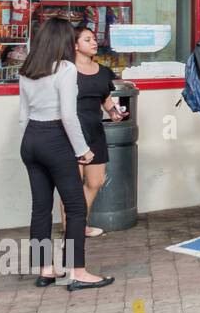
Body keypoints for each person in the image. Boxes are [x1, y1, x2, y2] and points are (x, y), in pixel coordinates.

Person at [18, 17, 113, 291]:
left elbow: (23, 116)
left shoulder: (27, 69)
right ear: (63, 41)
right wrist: (83, 151)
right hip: (56, 139)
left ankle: (45, 270)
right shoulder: (66, 69)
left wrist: (30, 144)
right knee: (75, 207)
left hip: (31, 139)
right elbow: (68, 116)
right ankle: (78, 271)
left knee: (40, 208)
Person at [72, 26, 133, 238]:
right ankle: (75, 230)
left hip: (95, 131)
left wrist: (113, 111)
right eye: (87, 39)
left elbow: (105, 97)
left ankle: (78, 224)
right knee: (71, 188)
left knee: (95, 181)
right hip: (72, 133)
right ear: (75, 45)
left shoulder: (103, 71)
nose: (94, 43)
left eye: (94, 39)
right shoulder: (66, 71)